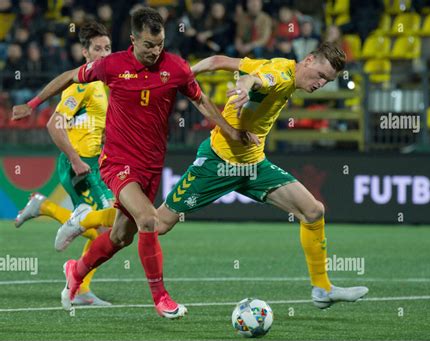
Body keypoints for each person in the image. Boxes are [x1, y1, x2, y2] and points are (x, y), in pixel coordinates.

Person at [70, 42, 369, 309]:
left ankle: (322, 289)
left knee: (313, 211)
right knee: (152, 225)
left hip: (253, 166)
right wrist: (245, 87)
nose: (320, 83)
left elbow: (216, 61)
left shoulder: (278, 66)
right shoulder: (280, 74)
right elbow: (258, 80)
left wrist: (185, 75)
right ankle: (84, 221)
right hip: (217, 164)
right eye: (319, 75)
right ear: (309, 59)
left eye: (327, 81)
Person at [12, 7, 258, 319]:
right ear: (132, 40)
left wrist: (231, 131)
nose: (155, 52)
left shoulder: (177, 68)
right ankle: (161, 297)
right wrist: (32, 104)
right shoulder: (112, 65)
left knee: (119, 237)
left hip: (151, 166)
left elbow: (200, 101)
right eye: (148, 46)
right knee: (148, 220)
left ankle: (76, 270)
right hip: (117, 162)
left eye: (160, 45)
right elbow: (68, 77)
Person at [14, 21, 116, 306]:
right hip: (79, 165)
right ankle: (79, 280)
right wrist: (75, 159)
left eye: (108, 48)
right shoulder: (81, 86)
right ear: (85, 53)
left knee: (108, 231)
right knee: (112, 227)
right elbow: (53, 125)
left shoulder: (103, 84)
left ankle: (44, 207)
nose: (104, 54)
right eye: (98, 49)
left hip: (95, 164)